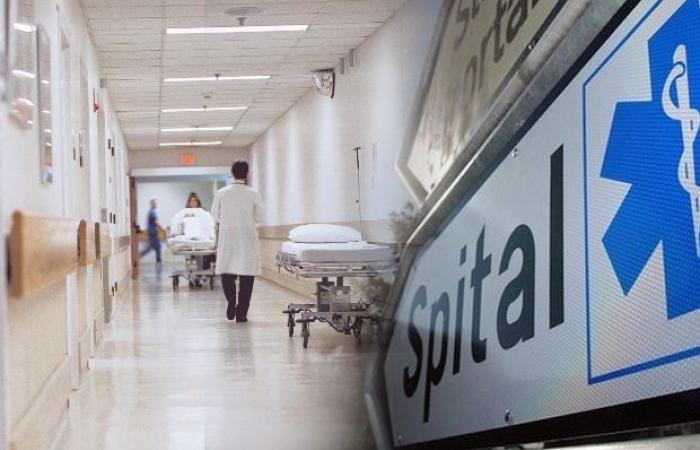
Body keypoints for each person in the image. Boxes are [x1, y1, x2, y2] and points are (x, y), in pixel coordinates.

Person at [211, 160, 263, 322]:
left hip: (228, 235)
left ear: (232, 173)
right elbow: (259, 216)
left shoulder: (221, 193)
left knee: (227, 270)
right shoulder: (253, 193)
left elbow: (214, 215)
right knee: (247, 275)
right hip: (247, 236)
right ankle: (241, 314)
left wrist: (227, 220)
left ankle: (231, 299)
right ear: (247, 174)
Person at [139, 199, 162, 264]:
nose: (156, 205)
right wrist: (160, 227)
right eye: (155, 203)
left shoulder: (151, 211)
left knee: (152, 247)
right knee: (157, 247)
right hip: (153, 232)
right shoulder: (152, 212)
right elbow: (155, 221)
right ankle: (158, 261)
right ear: (152, 204)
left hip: (152, 232)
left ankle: (158, 261)